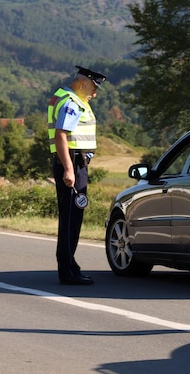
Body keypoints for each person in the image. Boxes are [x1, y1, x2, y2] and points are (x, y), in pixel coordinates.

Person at [48, 66, 106, 285]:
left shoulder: (69, 98)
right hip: (72, 162)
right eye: (94, 88)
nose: (95, 93)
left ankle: (70, 266)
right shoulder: (71, 102)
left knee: (72, 217)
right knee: (71, 218)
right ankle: (68, 270)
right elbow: (61, 135)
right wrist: (69, 169)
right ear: (83, 84)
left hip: (74, 162)